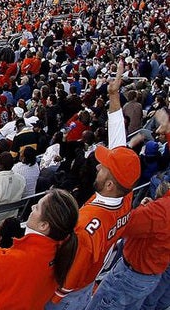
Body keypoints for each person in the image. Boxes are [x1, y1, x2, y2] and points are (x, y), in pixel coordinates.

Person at [49, 61, 139, 310]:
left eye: (103, 167)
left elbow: (73, 269)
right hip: (90, 280)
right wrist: (113, 96)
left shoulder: (88, 221)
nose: (98, 167)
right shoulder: (126, 193)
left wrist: (56, 296)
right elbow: (119, 142)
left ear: (110, 183)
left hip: (69, 294)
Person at [82, 180, 170, 310]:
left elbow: (125, 226)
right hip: (151, 277)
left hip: (131, 276)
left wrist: (144, 209)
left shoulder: (160, 211)